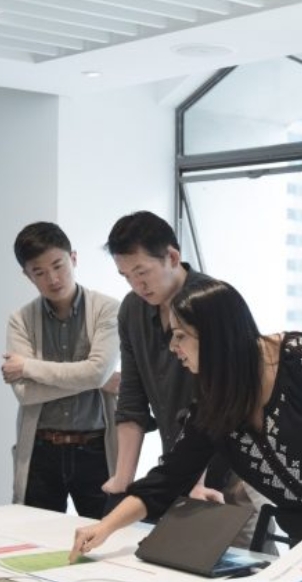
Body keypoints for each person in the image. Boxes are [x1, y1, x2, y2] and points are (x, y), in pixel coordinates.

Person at [70, 279, 302, 569]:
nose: (173, 347)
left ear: (215, 336)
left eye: (180, 336)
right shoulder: (214, 400)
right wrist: (104, 527)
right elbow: (168, 478)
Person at [102, 211, 266, 544]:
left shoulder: (212, 301)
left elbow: (224, 395)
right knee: (181, 561)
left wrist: (196, 478)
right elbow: (132, 399)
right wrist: (122, 480)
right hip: (181, 466)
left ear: (173, 257)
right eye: (126, 276)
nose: (136, 285)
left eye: (141, 272)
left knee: (247, 561)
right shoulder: (132, 310)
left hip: (234, 467)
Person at [2, 222, 121, 519]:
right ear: (27, 275)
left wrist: (28, 366)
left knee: (106, 536)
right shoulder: (21, 319)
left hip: (96, 449)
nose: (53, 279)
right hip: (41, 449)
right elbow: (25, 393)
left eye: (58, 265)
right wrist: (96, 379)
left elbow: (97, 372)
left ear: (74, 258)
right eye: (39, 272)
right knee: (34, 537)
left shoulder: (107, 309)